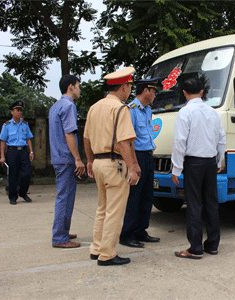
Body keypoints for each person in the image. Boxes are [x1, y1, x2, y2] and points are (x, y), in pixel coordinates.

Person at [83, 67, 141, 266]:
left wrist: (89, 160)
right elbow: (125, 142)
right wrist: (132, 168)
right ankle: (107, 254)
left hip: (98, 163)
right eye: (129, 87)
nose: (129, 91)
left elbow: (86, 139)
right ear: (124, 87)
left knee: (102, 208)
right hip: (114, 164)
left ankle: (96, 248)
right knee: (114, 211)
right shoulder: (121, 109)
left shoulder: (94, 107)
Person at [171, 77, 226, 259]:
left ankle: (195, 248)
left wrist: (176, 169)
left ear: (184, 93)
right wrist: (219, 162)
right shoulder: (213, 113)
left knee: (194, 204)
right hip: (210, 162)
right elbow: (221, 139)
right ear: (202, 92)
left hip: (193, 163)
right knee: (211, 203)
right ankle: (212, 244)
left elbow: (180, 142)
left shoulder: (185, 112)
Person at [119, 78, 161, 248]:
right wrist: (132, 164)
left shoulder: (148, 111)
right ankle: (127, 234)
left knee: (147, 196)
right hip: (137, 156)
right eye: (154, 91)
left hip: (148, 156)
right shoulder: (132, 110)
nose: (155, 94)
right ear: (146, 91)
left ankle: (140, 231)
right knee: (134, 197)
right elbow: (129, 140)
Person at [49, 74, 86, 248]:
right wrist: (78, 158)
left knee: (65, 196)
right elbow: (69, 133)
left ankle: (62, 230)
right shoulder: (69, 106)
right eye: (78, 85)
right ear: (71, 86)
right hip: (66, 158)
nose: (79, 89)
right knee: (65, 197)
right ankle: (60, 238)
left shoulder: (55, 106)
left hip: (58, 157)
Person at [0, 101, 34, 205]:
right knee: (13, 175)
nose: (19, 112)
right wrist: (2, 156)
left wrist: (31, 151)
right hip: (12, 151)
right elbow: (3, 141)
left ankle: (23, 193)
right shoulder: (7, 125)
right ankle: (13, 197)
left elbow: (28, 139)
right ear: (12, 112)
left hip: (24, 151)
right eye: (17, 110)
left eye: (20, 110)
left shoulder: (25, 125)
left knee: (27, 173)